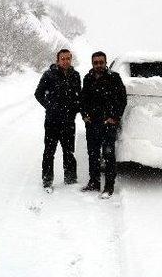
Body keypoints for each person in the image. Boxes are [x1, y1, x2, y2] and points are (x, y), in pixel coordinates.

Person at [80, 51, 127, 199]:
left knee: (108, 155)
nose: (99, 65)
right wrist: (84, 115)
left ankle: (109, 186)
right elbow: (83, 99)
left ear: (106, 63)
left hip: (108, 123)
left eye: (101, 62)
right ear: (92, 63)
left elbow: (122, 99)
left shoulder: (114, 78)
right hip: (92, 124)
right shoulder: (87, 78)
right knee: (93, 155)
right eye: (96, 62)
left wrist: (115, 117)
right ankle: (94, 182)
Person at [34, 49, 81, 193]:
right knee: (49, 151)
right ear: (57, 60)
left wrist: (75, 109)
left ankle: (70, 179)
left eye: (68, 58)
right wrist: (50, 107)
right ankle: (47, 181)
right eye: (63, 58)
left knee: (69, 152)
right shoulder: (49, 74)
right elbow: (38, 93)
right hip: (52, 121)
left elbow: (78, 95)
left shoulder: (75, 75)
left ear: (71, 59)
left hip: (68, 121)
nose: (65, 61)